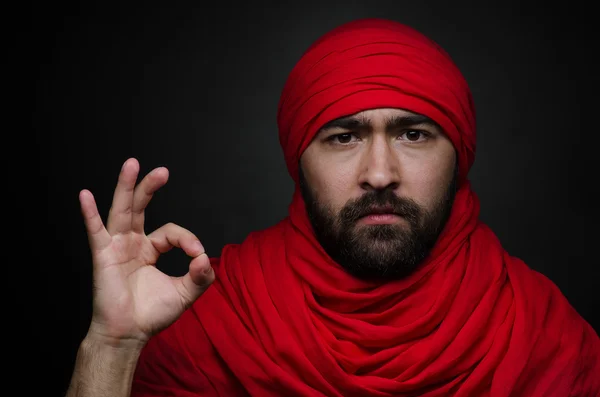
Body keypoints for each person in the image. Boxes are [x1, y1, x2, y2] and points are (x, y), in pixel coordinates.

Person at [65, 18, 600, 397]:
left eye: (414, 134)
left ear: (459, 154)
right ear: (299, 159)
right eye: (343, 137)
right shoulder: (215, 317)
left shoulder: (543, 333)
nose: (380, 173)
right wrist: (111, 347)